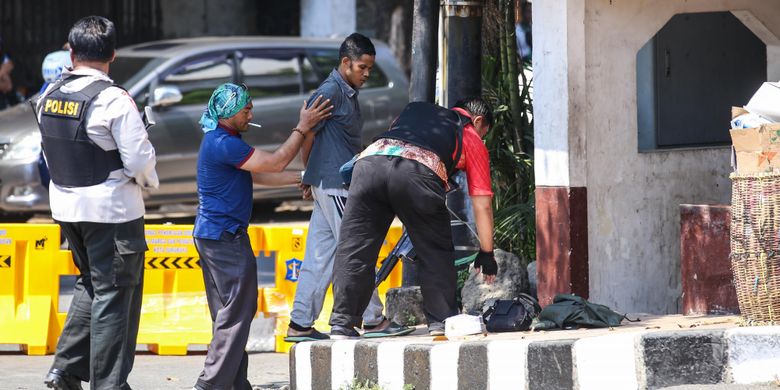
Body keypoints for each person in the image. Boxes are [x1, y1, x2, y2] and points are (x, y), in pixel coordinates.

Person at [37, 16, 159, 390]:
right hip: (113, 213)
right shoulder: (113, 99)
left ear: (71, 52)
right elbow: (140, 162)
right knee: (116, 296)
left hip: (67, 208)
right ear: (113, 55)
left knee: (91, 284)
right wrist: (146, 181)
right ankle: (109, 384)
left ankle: (65, 371)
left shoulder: (48, 95)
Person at [192, 83, 332, 390]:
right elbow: (275, 161)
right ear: (229, 112)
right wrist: (302, 127)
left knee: (229, 314)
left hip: (213, 235)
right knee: (238, 312)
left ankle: (234, 383)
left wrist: (302, 178)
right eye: (246, 110)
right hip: (224, 237)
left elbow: (260, 174)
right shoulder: (222, 143)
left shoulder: (224, 140)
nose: (250, 114)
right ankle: (211, 383)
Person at [328, 97, 499, 337]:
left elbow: (396, 139)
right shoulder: (469, 134)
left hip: (368, 165)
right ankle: (441, 322)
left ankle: (342, 323)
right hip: (416, 173)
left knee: (355, 248)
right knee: (435, 250)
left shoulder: (414, 110)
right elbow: (482, 205)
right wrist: (487, 252)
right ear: (478, 121)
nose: (482, 139)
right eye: (484, 133)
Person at [286, 33, 410, 343]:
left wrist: (311, 176)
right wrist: (310, 172)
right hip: (335, 186)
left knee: (319, 257)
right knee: (357, 251)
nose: (366, 74)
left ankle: (300, 324)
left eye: (369, 68)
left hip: (328, 184)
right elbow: (308, 134)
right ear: (345, 63)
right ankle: (372, 319)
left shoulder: (343, 91)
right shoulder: (331, 92)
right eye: (362, 67)